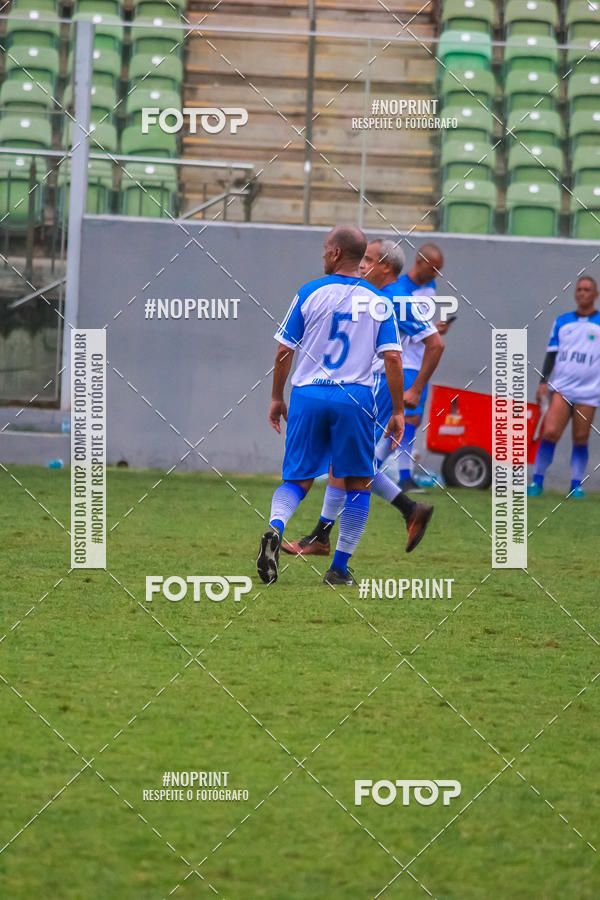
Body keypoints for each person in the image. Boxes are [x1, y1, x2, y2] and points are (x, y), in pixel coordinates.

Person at [257, 225, 404, 586]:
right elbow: (394, 360)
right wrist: (399, 411)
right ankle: (338, 569)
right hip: (353, 397)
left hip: (308, 395)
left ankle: (276, 528)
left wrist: (278, 397)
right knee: (357, 482)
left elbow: (283, 350)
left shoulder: (308, 292)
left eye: (326, 248)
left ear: (337, 253)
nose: (323, 253)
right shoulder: (379, 301)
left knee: (297, 478)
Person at [282, 237, 444, 558]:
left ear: (385, 266)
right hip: (371, 383)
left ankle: (324, 538)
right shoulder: (379, 296)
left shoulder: (394, 297)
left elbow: (436, 343)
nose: (363, 265)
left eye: (369, 260)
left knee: (350, 464)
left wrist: (413, 389)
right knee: (353, 464)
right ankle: (409, 509)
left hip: (380, 383)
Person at [527, 275, 600, 499]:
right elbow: (551, 354)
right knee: (549, 432)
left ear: (595, 295)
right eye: (579, 289)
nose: (582, 293)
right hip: (561, 388)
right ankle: (536, 481)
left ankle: (575, 485)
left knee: (580, 438)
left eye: (587, 289)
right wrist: (542, 383)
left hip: (588, 391)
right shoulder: (562, 321)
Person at [388, 242, 449, 493]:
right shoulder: (400, 290)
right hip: (404, 359)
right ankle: (386, 471)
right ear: (420, 261)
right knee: (400, 417)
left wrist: (434, 327)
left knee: (412, 419)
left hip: (420, 358)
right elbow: (399, 327)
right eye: (433, 269)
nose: (436, 275)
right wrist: (429, 331)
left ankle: (403, 474)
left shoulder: (430, 287)